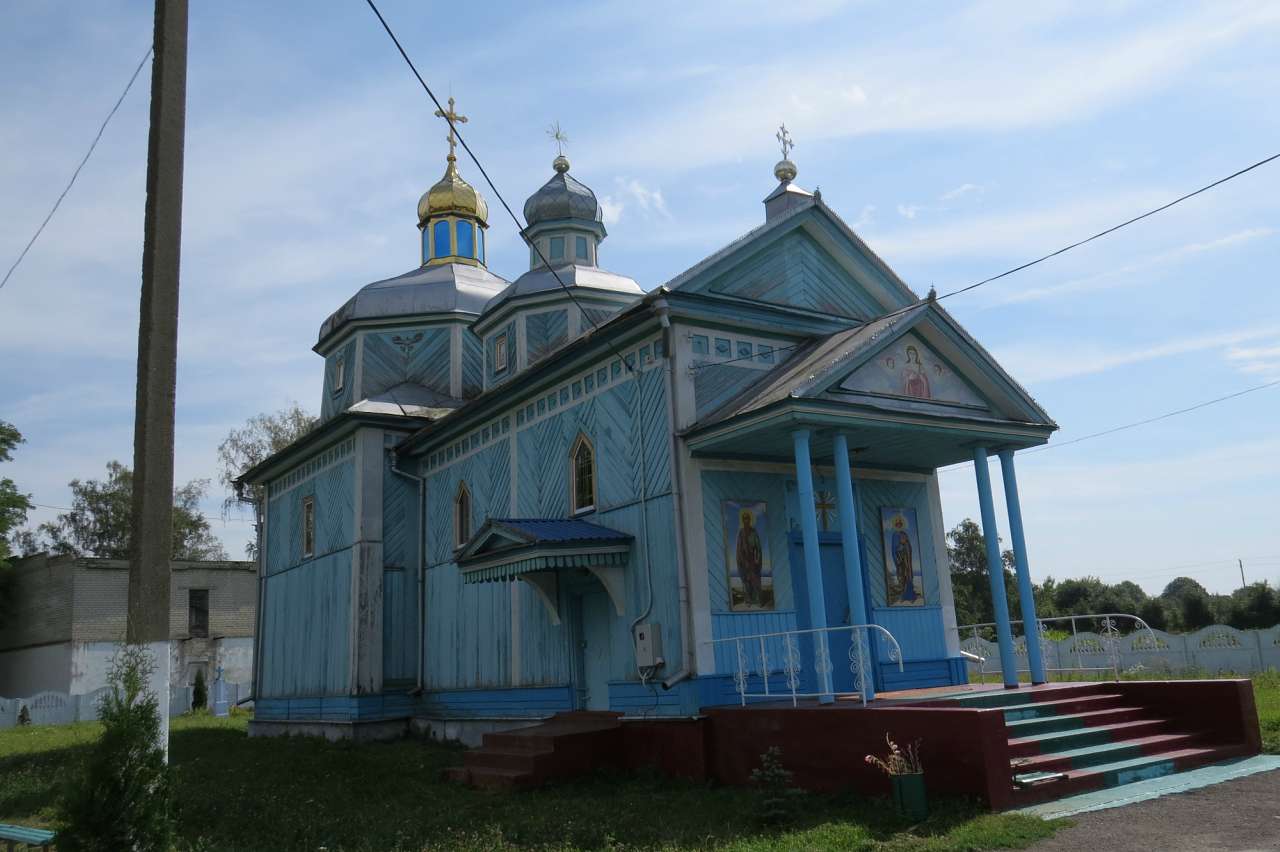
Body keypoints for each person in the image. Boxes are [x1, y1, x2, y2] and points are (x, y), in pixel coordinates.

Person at [736, 509, 764, 606]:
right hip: (744, 560)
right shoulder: (741, 533)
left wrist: (757, 559)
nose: (746, 520)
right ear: (743, 520)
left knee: (755, 580)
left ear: (750, 520)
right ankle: (748, 600)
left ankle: (757, 600)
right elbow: (739, 548)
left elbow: (758, 547)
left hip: (753, 559)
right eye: (744, 519)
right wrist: (741, 560)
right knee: (747, 581)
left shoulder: (753, 532)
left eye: (747, 518)